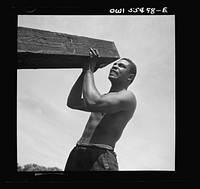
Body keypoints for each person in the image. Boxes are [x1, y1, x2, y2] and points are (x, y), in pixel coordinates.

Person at [64, 48, 137, 171]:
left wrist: (89, 70)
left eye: (121, 66)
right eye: (114, 64)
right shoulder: (102, 97)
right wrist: (84, 72)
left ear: (130, 77)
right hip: (78, 151)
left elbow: (93, 102)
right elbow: (73, 102)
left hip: (101, 155)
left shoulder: (128, 97)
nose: (114, 66)